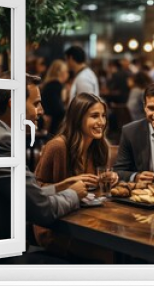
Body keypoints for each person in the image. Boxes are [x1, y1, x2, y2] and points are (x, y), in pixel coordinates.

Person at [0, 74, 88, 242]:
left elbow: (25, 195)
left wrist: (59, 187)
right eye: (36, 104)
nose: (41, 111)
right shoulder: (2, 142)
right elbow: (43, 211)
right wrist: (73, 194)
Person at [33, 92, 118, 260]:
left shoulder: (100, 147)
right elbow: (34, 192)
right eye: (94, 116)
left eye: (103, 116)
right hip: (57, 227)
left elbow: (95, 194)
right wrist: (65, 185)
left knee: (121, 245)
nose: (101, 122)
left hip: (88, 220)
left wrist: (110, 179)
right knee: (110, 252)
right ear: (78, 118)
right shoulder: (57, 147)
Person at [41, 59, 69, 137]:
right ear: (59, 72)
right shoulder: (56, 85)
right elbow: (58, 109)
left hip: (48, 124)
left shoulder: (49, 84)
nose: (67, 74)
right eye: (66, 71)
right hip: (53, 126)